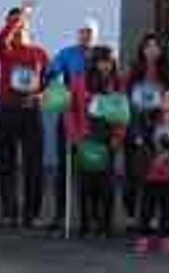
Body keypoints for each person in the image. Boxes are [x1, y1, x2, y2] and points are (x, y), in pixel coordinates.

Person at [0, 9, 49, 228]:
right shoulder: (6, 49)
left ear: (28, 27)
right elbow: (1, 38)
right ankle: (9, 211)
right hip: (7, 111)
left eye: (20, 25)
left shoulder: (39, 53)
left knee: (33, 165)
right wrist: (18, 19)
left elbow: (49, 81)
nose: (16, 29)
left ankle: (31, 213)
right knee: (6, 164)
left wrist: (39, 95)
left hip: (31, 113)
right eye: (12, 25)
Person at [45, 18, 98, 229]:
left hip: (93, 118)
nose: (86, 35)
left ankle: (90, 217)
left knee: (90, 167)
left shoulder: (101, 54)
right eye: (83, 32)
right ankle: (60, 215)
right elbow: (51, 73)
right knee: (64, 166)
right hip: (68, 114)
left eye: (90, 32)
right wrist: (57, 84)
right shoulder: (67, 53)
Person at [68, 46, 126, 237]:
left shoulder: (118, 83)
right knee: (85, 185)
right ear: (94, 63)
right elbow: (70, 111)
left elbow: (123, 114)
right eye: (101, 61)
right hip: (86, 137)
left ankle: (105, 225)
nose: (105, 66)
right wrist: (75, 136)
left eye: (109, 62)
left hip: (108, 138)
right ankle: (85, 223)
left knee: (106, 185)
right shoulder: (79, 82)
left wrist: (118, 137)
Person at [124, 33, 169, 229]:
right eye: (148, 46)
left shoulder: (166, 73)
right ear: (142, 50)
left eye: (155, 46)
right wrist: (134, 132)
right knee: (134, 173)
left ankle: (151, 217)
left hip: (158, 127)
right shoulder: (133, 72)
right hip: (136, 125)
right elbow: (127, 103)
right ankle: (132, 216)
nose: (151, 50)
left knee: (155, 175)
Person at [133, 90, 169, 256]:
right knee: (147, 204)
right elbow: (142, 137)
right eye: (164, 98)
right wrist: (152, 153)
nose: (166, 102)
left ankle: (165, 237)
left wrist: (168, 150)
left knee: (168, 205)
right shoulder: (150, 118)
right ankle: (143, 237)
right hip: (151, 168)